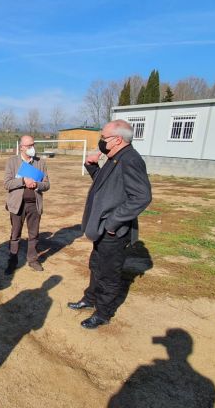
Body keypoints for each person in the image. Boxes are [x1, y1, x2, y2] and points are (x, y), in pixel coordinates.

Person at [68, 119, 152, 329]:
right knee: (96, 265)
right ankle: (90, 299)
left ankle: (103, 313)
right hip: (101, 229)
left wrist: (113, 222)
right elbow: (106, 186)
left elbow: (142, 197)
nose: (101, 141)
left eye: (104, 137)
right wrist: (92, 167)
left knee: (109, 273)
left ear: (117, 140)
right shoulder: (115, 157)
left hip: (113, 232)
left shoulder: (130, 159)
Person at [3, 135, 50, 273]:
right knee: (15, 234)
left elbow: (47, 185)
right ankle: (12, 261)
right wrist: (23, 180)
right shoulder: (12, 162)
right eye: (29, 146)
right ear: (21, 147)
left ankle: (33, 260)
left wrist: (37, 184)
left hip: (34, 205)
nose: (32, 148)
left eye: (33, 145)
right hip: (17, 205)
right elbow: (7, 183)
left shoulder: (40, 162)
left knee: (33, 234)